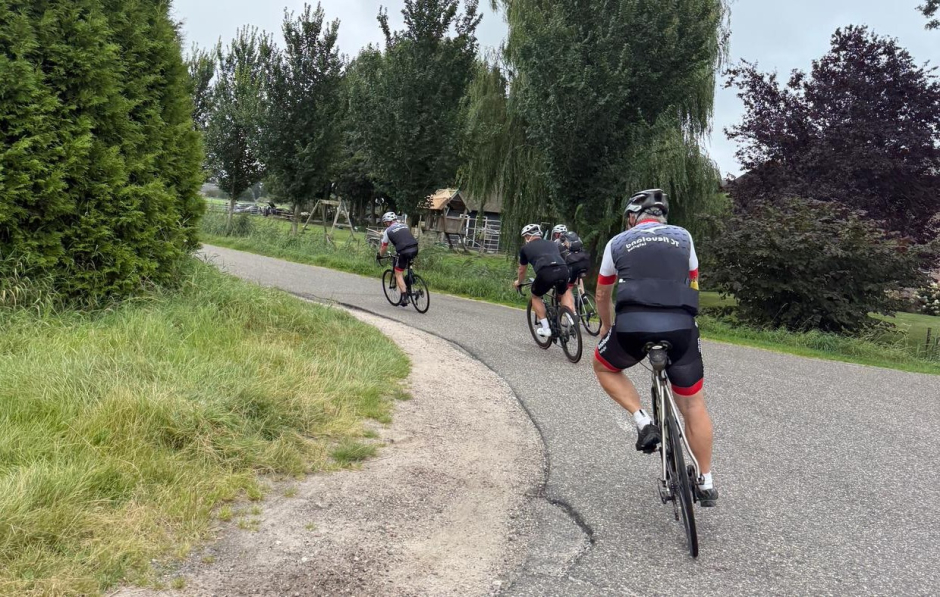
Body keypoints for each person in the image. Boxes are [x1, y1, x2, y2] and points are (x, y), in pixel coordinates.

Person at [592, 189, 717, 507]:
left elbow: (603, 295)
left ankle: (643, 420)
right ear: (662, 216)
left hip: (633, 325)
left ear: (632, 217)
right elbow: (693, 283)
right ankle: (705, 480)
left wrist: (606, 327)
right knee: (693, 406)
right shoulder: (684, 236)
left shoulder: (617, 242)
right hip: (680, 327)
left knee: (603, 366)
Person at [513, 224, 575, 338]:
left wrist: (519, 282)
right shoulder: (552, 243)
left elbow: (522, 270)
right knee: (564, 292)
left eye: (524, 237)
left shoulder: (525, 249)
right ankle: (572, 319)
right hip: (563, 269)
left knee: (535, 296)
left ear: (527, 236)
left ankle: (546, 328)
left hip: (546, 272)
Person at [377, 212, 419, 307]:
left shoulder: (387, 231)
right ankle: (410, 279)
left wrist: (379, 255)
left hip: (404, 251)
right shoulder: (405, 226)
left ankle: (404, 297)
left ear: (388, 222)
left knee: (398, 273)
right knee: (406, 265)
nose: (385, 224)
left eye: (385, 223)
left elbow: (384, 247)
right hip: (415, 248)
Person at [551, 224, 592, 294]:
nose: (555, 236)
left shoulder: (557, 242)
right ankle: (583, 294)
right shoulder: (575, 238)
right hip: (583, 262)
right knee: (578, 277)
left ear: (558, 234)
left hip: (570, 266)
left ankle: (568, 300)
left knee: (568, 285)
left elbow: (552, 255)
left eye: (555, 234)